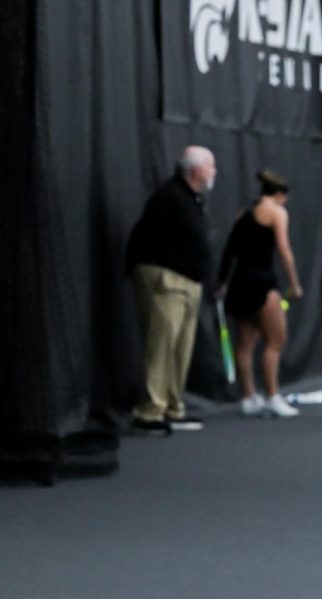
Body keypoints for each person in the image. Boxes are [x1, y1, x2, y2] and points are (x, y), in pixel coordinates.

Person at [125, 145, 218, 435]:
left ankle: (172, 407)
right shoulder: (169, 197)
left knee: (180, 349)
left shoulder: (191, 199)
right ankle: (149, 411)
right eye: (210, 165)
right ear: (194, 170)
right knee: (161, 345)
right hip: (167, 281)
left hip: (188, 281)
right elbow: (145, 241)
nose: (214, 171)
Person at [217, 170, 303, 418]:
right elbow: (284, 249)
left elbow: (229, 250)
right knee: (275, 340)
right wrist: (294, 283)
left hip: (239, 283)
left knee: (244, 345)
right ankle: (273, 395)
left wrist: (221, 281)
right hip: (262, 283)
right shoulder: (277, 212)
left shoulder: (243, 215)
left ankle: (248, 397)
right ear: (279, 194)